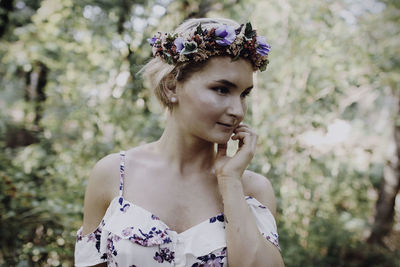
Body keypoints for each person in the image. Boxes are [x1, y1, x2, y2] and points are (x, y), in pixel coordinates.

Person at [74, 17, 284, 267]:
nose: (238, 110)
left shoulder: (254, 190)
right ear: (171, 86)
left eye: (244, 94)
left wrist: (230, 183)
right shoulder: (113, 175)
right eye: (221, 89)